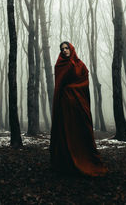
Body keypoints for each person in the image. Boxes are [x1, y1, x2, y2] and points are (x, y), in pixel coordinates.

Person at [50, 41, 108, 177]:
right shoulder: (59, 65)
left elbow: (84, 81)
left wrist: (70, 88)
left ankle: (85, 158)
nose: (64, 50)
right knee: (66, 131)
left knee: (81, 130)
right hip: (64, 105)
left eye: (66, 48)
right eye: (62, 49)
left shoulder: (80, 65)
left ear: (71, 49)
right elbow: (59, 86)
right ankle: (66, 163)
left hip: (79, 104)